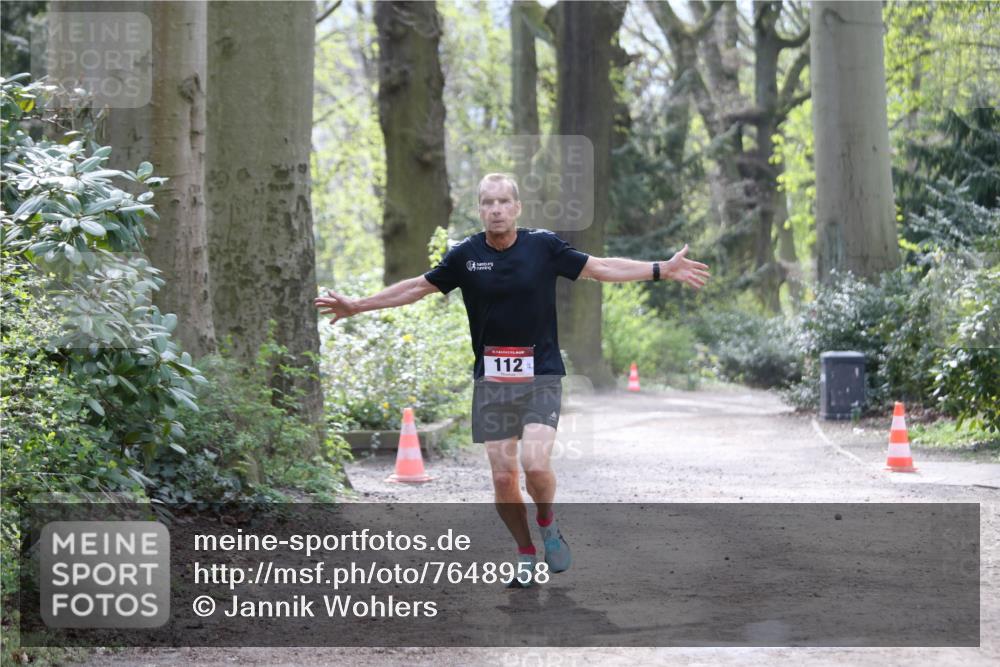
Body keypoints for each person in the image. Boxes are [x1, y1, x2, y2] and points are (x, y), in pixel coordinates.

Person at [313, 173, 710, 587]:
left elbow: (602, 267)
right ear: (479, 209)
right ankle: (524, 553)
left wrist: (662, 269)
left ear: (517, 208)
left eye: (504, 202)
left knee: (535, 466)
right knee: (503, 478)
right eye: (488, 203)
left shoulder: (543, 246)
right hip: (492, 381)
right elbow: (416, 288)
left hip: (541, 374)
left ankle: (548, 523)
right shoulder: (464, 255)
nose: (496, 210)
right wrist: (356, 306)